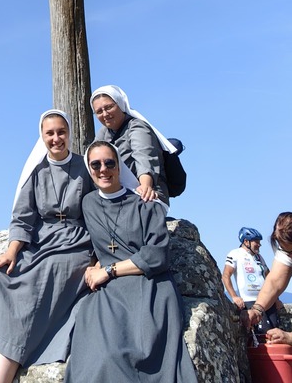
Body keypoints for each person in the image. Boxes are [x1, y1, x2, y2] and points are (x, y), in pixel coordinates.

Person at [0, 110, 94, 383]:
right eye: (50, 133)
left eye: (61, 132)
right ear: (42, 136)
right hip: (41, 241)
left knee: (38, 284)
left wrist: (97, 258)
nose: (56, 138)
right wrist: (11, 252)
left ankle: (1, 378)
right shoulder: (36, 169)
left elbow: (98, 210)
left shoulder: (85, 166)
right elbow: (23, 217)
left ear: (69, 133)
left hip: (75, 243)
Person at [64, 141, 198, 383]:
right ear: (89, 169)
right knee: (100, 357)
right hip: (111, 294)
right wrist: (95, 264)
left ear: (119, 167)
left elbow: (157, 255)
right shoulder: (88, 203)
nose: (103, 169)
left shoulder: (145, 203)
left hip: (149, 285)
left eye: (109, 163)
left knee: (142, 351)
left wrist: (108, 270)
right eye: (95, 164)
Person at [90, 84, 177, 206]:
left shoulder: (137, 127)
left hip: (147, 193)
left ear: (120, 104)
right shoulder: (103, 133)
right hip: (119, 194)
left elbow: (144, 156)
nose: (105, 114)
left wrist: (146, 185)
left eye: (109, 107)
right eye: (99, 111)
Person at [248, 212, 292, 344]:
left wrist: (289, 337)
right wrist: (257, 309)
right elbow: (274, 282)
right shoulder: (286, 250)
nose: (289, 256)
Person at [222, 227, 279, 330]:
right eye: (256, 242)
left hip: (267, 300)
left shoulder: (259, 257)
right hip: (249, 301)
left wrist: (276, 298)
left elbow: (269, 277)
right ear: (246, 241)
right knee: (262, 332)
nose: (259, 244)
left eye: (259, 242)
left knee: (275, 330)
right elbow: (226, 276)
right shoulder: (235, 254)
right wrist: (234, 297)